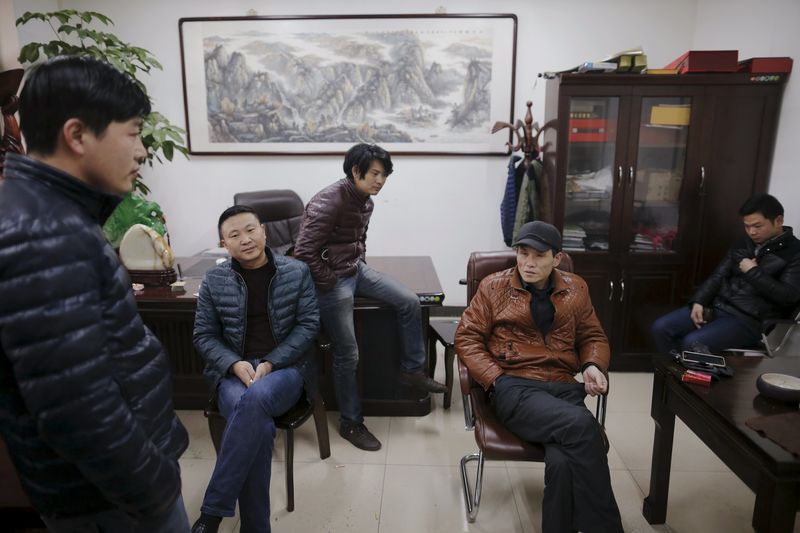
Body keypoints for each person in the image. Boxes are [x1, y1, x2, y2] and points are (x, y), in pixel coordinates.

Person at [0, 56, 189, 531]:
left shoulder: (49, 214)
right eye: (132, 132)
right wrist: (157, 489)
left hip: (105, 492)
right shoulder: (45, 236)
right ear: (78, 135)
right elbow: (77, 409)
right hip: (109, 501)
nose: (143, 151)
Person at [455, 221, 623, 533]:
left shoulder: (577, 289)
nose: (528, 263)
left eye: (539, 256)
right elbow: (466, 338)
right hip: (514, 386)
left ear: (556, 258)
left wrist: (592, 365)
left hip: (562, 388)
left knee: (562, 462)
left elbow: (593, 336)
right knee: (585, 427)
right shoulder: (493, 287)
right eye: (523, 253)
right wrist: (496, 379)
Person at [293, 143, 446, 451]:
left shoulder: (366, 202)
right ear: (355, 171)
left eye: (384, 175)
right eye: (375, 173)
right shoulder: (328, 201)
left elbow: (358, 239)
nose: (380, 181)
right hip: (331, 280)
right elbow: (303, 252)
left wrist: (357, 263)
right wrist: (331, 280)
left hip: (354, 269)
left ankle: (412, 370)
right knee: (348, 353)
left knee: (409, 301)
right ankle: (351, 422)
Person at [191, 205, 319, 533]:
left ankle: (212, 513)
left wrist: (272, 361)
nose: (245, 239)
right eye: (234, 235)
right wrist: (234, 363)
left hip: (285, 370)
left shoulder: (296, 271)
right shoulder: (214, 279)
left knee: (257, 399)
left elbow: (308, 325)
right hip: (234, 373)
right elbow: (203, 335)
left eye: (250, 230)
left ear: (264, 230)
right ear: (223, 243)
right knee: (258, 428)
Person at [651, 193, 800, 355]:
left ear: (779, 221)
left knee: (692, 343)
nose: (751, 232)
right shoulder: (746, 242)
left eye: (757, 226)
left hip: (749, 320)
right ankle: (673, 376)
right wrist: (699, 301)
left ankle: (690, 377)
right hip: (717, 306)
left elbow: (788, 297)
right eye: (747, 226)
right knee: (661, 328)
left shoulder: (794, 252)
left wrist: (753, 271)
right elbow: (719, 274)